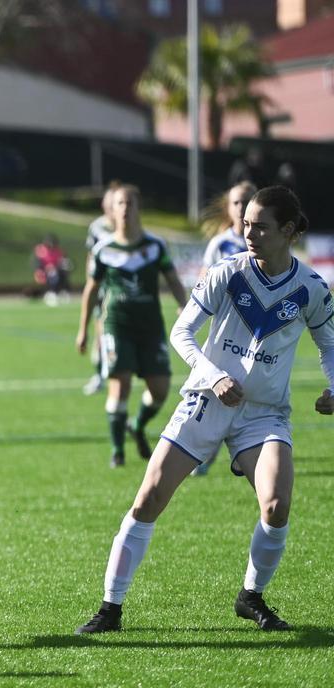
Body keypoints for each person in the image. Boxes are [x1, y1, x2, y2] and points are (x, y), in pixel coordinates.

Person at [75, 186, 334, 634]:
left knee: (276, 505)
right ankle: (110, 608)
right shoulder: (227, 272)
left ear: (288, 231)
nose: (248, 232)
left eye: (261, 227)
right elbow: (182, 333)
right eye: (246, 223)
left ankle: (250, 597)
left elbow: (329, 345)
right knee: (149, 497)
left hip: (264, 413)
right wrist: (214, 375)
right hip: (207, 402)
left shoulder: (311, 288)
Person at [75, 184, 189, 468]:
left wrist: (184, 308)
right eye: (120, 204)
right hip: (117, 325)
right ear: (111, 211)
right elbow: (91, 290)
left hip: (150, 326)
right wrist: (84, 329)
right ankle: (117, 451)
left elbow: (173, 279)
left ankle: (137, 425)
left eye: (130, 203)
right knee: (120, 385)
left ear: (139, 208)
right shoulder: (103, 250)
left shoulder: (155, 246)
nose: (125, 209)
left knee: (160, 390)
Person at [193, 180, 257, 475]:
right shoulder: (220, 244)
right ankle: (205, 450)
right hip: (225, 329)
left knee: (251, 390)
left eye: (247, 201)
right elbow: (204, 282)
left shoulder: (265, 242)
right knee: (219, 387)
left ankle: (242, 448)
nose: (242, 207)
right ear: (229, 208)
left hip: (259, 331)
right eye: (237, 203)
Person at [82, 181, 122, 395]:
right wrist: (90, 279)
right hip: (103, 285)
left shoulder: (127, 227)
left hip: (122, 286)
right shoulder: (97, 227)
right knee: (101, 332)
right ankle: (100, 375)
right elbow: (91, 256)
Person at [28, 233, 72, 305]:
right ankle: (52, 293)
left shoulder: (58, 251)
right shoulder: (40, 250)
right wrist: (45, 268)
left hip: (56, 270)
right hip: (43, 272)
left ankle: (63, 292)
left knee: (62, 273)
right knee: (53, 274)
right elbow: (37, 263)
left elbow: (62, 261)